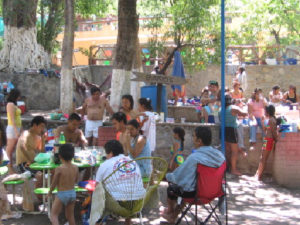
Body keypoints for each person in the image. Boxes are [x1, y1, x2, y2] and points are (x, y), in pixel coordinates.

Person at [161, 127, 225, 223]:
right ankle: (173, 215)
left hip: (197, 195)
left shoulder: (194, 158)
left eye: (193, 136)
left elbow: (178, 176)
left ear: (199, 141)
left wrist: (166, 177)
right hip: (215, 192)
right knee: (190, 185)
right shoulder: (220, 156)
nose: (192, 138)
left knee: (173, 188)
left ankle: (171, 212)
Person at [95, 140, 145, 225]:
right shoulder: (132, 161)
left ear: (110, 152)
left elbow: (97, 187)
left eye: (106, 153)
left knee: (97, 197)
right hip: (138, 201)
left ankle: (97, 222)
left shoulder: (105, 164)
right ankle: (128, 222)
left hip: (118, 203)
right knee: (129, 191)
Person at [49, 144, 79, 225]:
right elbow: (76, 180)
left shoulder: (59, 169)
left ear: (59, 156)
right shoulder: (76, 167)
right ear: (73, 155)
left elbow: (54, 182)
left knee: (54, 215)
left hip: (62, 193)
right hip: (72, 193)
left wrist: (50, 191)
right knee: (70, 216)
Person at [222, 95, 247, 176]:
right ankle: (233, 169)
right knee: (234, 152)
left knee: (227, 151)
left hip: (223, 130)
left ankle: (228, 167)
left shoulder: (220, 109)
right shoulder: (233, 108)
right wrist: (241, 106)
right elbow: (244, 114)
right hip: (231, 130)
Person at [255, 105, 278, 181]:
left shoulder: (270, 120)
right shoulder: (271, 119)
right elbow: (268, 130)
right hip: (268, 139)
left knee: (263, 158)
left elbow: (272, 131)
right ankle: (258, 174)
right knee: (263, 157)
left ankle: (259, 175)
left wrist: (276, 138)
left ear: (268, 111)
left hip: (268, 140)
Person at [6, 89, 22, 173]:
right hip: (12, 128)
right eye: (18, 95)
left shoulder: (15, 104)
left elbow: (18, 118)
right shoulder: (10, 104)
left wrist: (21, 129)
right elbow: (12, 119)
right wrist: (16, 131)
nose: (19, 97)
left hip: (17, 127)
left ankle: (12, 165)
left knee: (15, 148)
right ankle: (9, 167)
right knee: (10, 149)